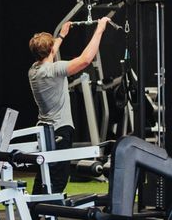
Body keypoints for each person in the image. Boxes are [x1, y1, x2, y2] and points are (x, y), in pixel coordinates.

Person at [27, 16, 110, 195]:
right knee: (58, 180)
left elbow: (50, 51)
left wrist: (62, 35)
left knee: (43, 176)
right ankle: (46, 218)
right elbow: (86, 60)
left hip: (44, 131)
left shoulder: (34, 70)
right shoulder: (54, 71)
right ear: (50, 51)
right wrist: (100, 29)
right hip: (59, 131)